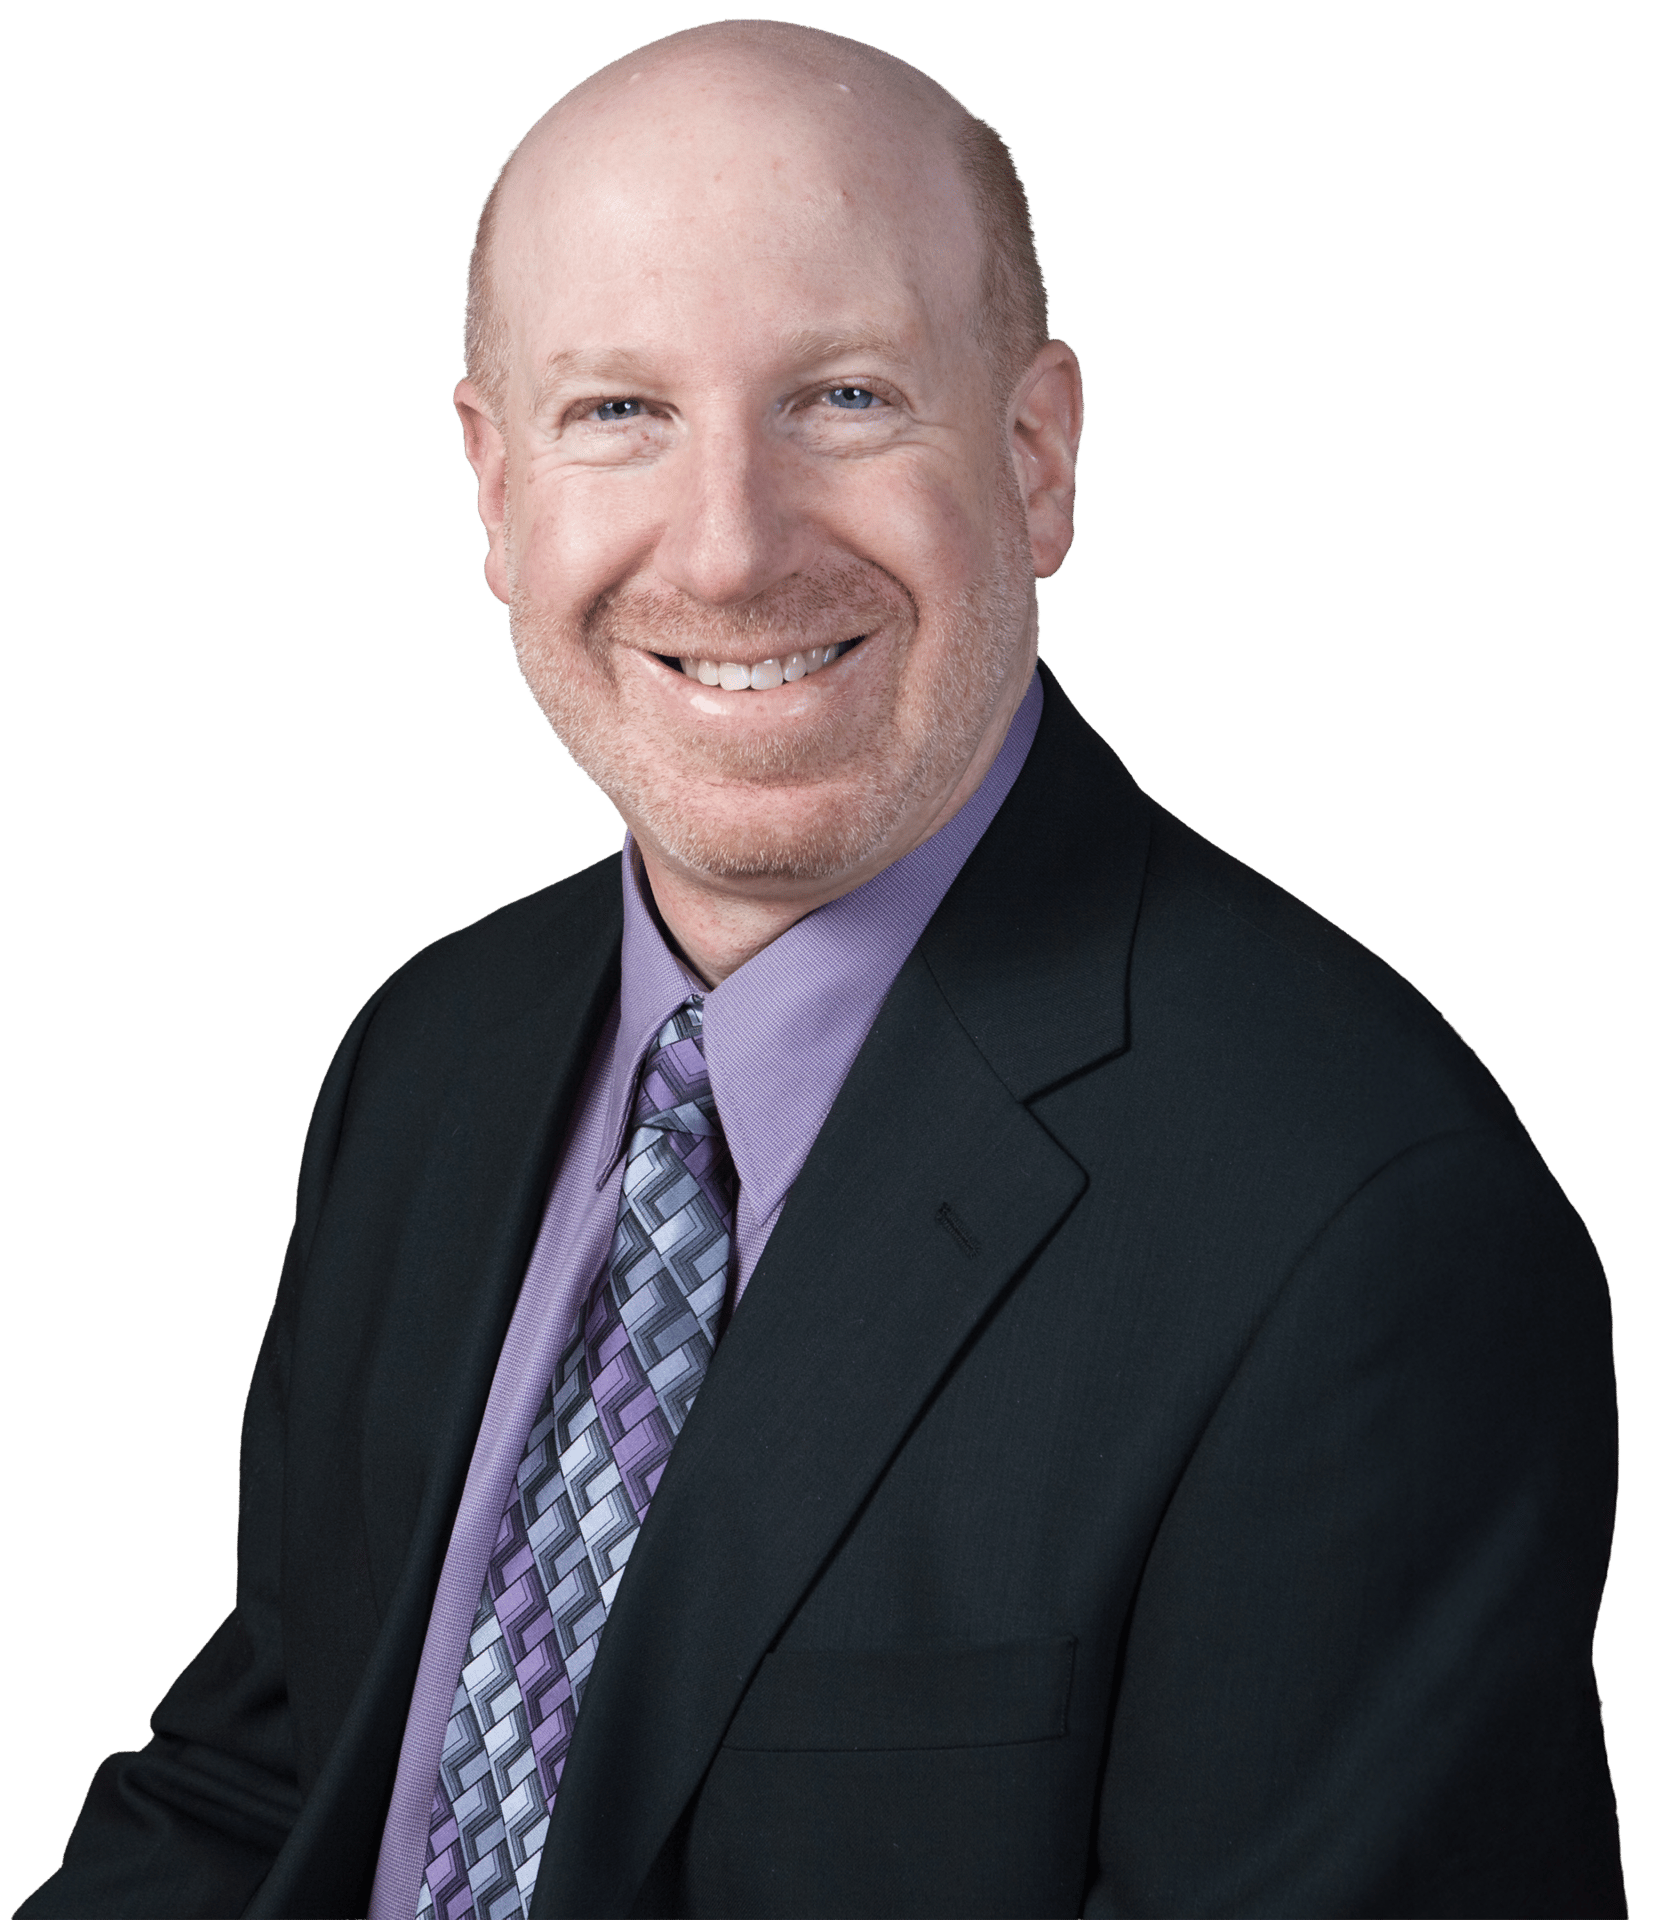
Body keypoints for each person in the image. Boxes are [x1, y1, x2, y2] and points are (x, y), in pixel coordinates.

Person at [19, 20, 1624, 1920]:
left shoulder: (1357, 1225)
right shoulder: (425, 1060)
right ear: (491, 486)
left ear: (1034, 458)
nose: (726, 547)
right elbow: (258, 1791)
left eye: (844, 398)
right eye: (618, 411)